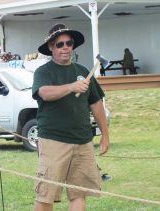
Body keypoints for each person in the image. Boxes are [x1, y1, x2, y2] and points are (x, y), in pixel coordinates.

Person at [32, 23, 109, 211]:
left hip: (83, 141)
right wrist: (72, 87)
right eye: (60, 44)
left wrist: (105, 135)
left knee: (79, 193)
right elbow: (44, 93)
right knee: (46, 195)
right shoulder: (44, 72)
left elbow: (96, 104)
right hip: (53, 141)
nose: (65, 47)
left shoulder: (83, 71)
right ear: (51, 47)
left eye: (69, 43)